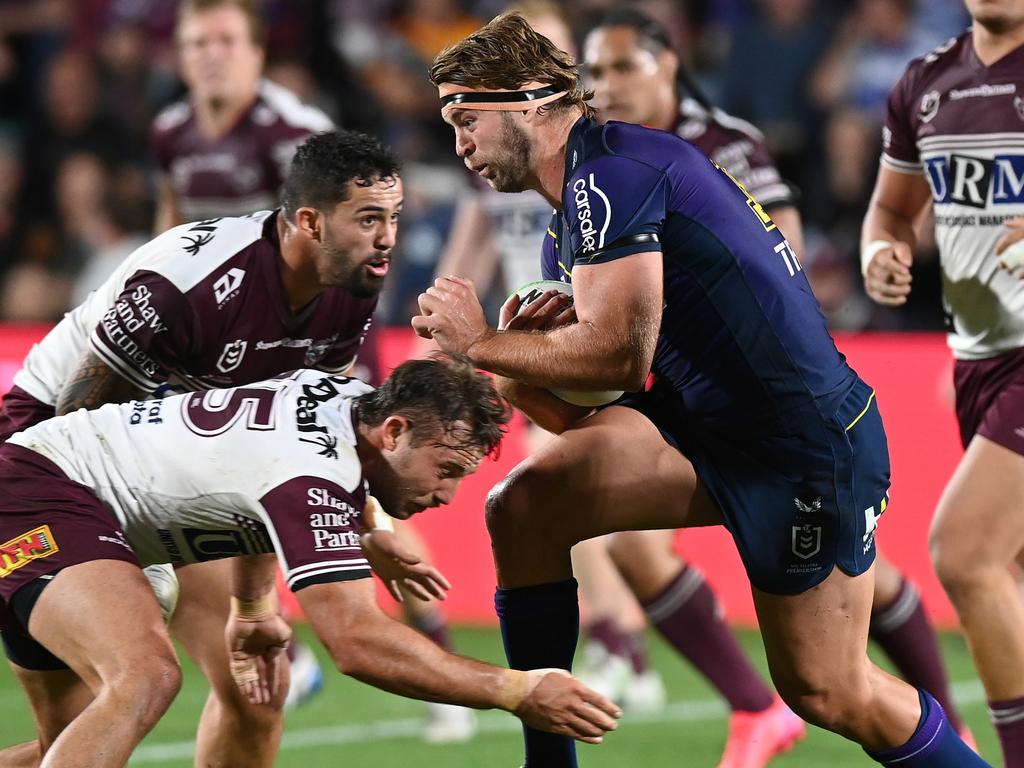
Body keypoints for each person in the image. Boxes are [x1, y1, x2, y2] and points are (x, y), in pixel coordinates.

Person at [415, 12, 987, 767]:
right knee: (524, 508)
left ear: (529, 100)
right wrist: (521, 369)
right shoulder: (571, 221)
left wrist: (483, 342)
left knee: (829, 693)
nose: (459, 145)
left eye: (467, 118)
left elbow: (619, 359)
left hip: (801, 446)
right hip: (708, 436)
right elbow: (578, 411)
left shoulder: (612, 175)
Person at [583, 5, 969, 747]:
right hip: (673, 390)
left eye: (623, 66)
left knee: (860, 581)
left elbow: (778, 260)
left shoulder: (723, 146)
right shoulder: (599, 163)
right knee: (618, 533)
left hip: (764, 393)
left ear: (668, 63)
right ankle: (754, 708)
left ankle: (949, 725)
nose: (608, 85)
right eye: (594, 71)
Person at [0, 354, 622, 767]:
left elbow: (244, 479)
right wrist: (515, 689)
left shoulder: (348, 402)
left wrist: (251, 604)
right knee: (145, 676)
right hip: (40, 495)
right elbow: (355, 642)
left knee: (70, 746)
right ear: (395, 431)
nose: (447, 496)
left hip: (59, 494)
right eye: (448, 470)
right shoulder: (315, 475)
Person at [0, 129, 397, 768]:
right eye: (369, 219)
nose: (387, 240)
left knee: (255, 688)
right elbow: (74, 422)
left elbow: (282, 450)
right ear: (309, 221)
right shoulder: (187, 280)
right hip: (51, 457)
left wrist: (252, 604)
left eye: (394, 218)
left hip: (167, 465)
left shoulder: (348, 289)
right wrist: (114, 548)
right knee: (128, 688)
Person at [861, 1, 1024, 764]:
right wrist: (881, 251)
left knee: (964, 553)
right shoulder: (927, 82)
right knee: (1013, 576)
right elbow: (892, 210)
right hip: (979, 357)